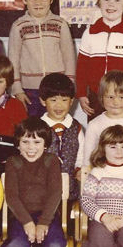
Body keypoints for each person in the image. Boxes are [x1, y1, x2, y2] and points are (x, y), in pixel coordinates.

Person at [1, 117, 66, 247]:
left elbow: (55, 193)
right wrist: (28, 222)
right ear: (17, 143)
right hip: (21, 218)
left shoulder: (52, 161)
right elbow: (11, 196)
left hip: (48, 217)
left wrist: (44, 222)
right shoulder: (13, 162)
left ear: (45, 144)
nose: (31, 147)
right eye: (25, 142)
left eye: (37, 142)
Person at [8, 0, 76, 117]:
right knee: (33, 130)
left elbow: (69, 57)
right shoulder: (18, 26)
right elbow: (13, 59)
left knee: (54, 126)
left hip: (56, 89)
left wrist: (69, 86)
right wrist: (17, 88)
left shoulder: (60, 24)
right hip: (29, 90)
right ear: (24, 0)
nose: (38, 3)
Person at [82, 70, 123, 178]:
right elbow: (87, 158)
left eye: (121, 97)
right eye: (110, 97)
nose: (116, 102)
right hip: (102, 177)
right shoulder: (94, 124)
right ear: (102, 97)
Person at [39, 72, 84, 201]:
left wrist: (79, 171)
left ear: (71, 102)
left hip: (69, 192)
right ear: (43, 101)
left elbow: (81, 157)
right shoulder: (37, 127)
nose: (59, 106)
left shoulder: (77, 128)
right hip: (42, 193)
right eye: (53, 100)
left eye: (64, 100)